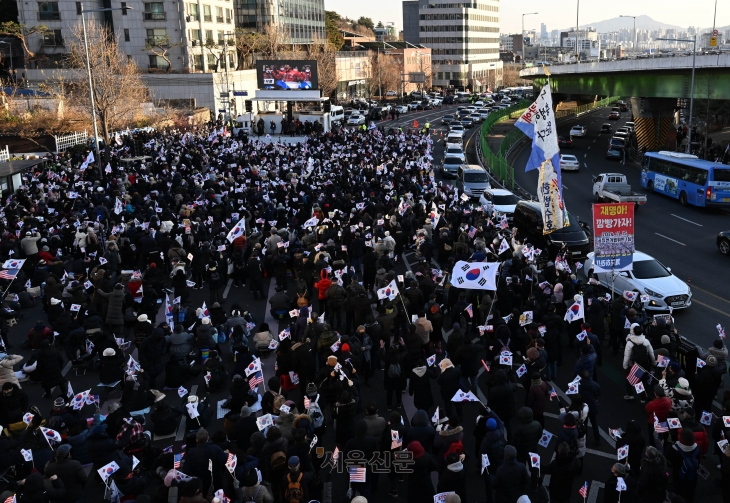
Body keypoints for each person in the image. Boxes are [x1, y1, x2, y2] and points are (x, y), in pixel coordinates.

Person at [666, 428, 700, 503]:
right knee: (691, 490)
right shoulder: (697, 448)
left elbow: (668, 458)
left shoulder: (674, 449)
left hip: (679, 474)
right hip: (693, 475)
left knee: (679, 489)